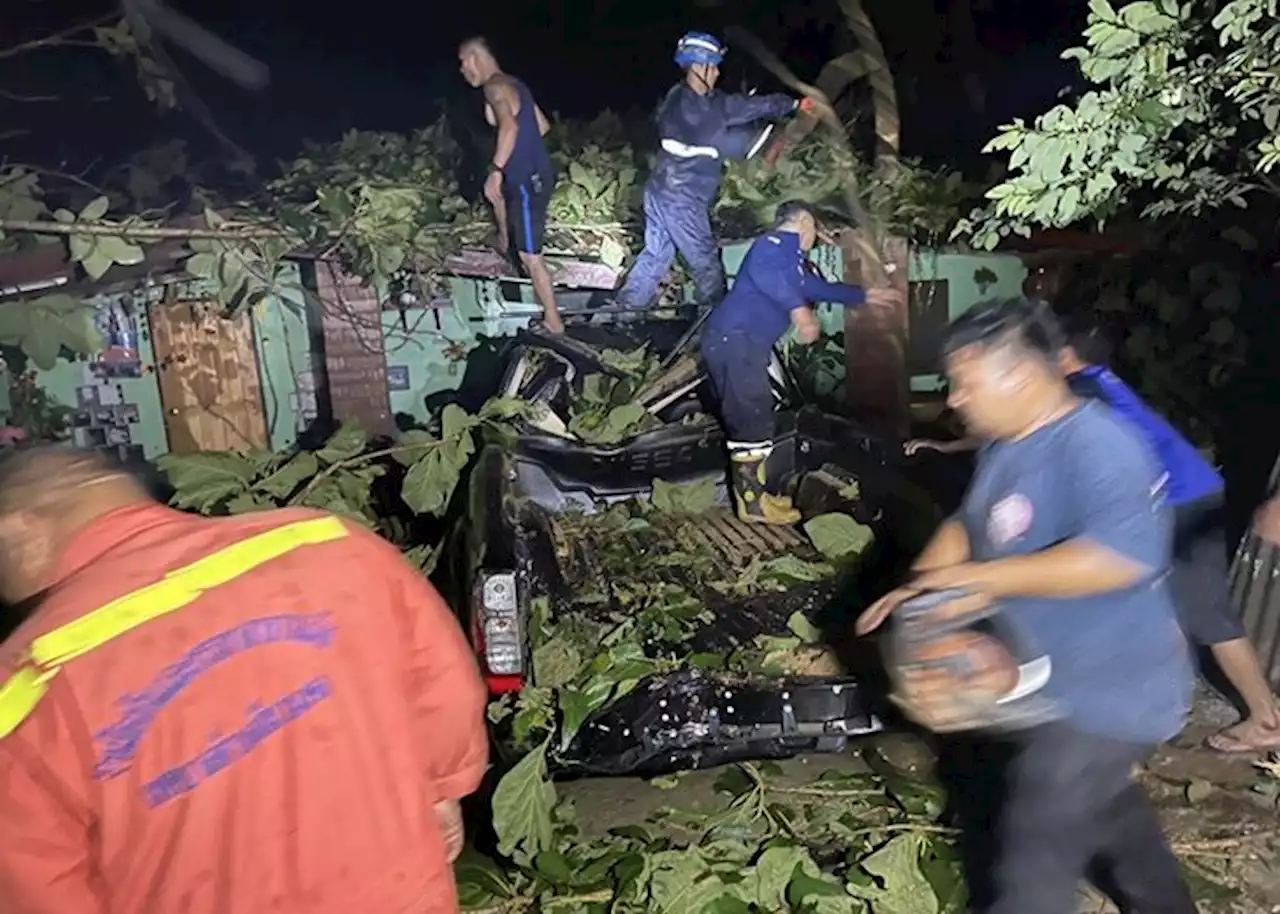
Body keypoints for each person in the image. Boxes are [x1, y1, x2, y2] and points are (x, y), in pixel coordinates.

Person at [0, 446, 488, 914]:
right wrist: (442, 791)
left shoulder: (27, 688)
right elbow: (444, 689)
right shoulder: (328, 544)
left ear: (21, 529)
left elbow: (29, 888)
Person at [858, 298, 1196, 914]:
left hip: (1112, 687)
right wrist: (925, 587)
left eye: (965, 382)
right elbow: (971, 522)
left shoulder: (1098, 444)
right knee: (1110, 816)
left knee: (1030, 855)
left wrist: (985, 582)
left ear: (1019, 374)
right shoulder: (1009, 442)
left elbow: (1120, 558)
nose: (954, 398)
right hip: (1051, 680)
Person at [906, 312, 1280, 753]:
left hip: (1183, 500)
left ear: (1056, 360)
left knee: (1208, 612)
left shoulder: (1082, 400)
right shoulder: (1090, 382)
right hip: (1168, 496)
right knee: (1163, 597)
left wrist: (976, 581)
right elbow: (1007, 434)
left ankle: (1265, 718)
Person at [701, 200, 898, 524]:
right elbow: (771, 276)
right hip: (735, 341)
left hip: (743, 344)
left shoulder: (792, 262)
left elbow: (816, 286)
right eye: (816, 230)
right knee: (750, 413)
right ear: (804, 223)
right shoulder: (773, 245)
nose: (817, 238)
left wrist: (865, 296)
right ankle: (751, 505)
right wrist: (800, 311)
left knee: (756, 412)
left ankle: (757, 496)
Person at [614, 32, 820, 313]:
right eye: (715, 65)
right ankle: (712, 327)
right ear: (701, 67)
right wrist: (795, 104)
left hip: (659, 191)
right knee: (707, 264)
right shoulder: (715, 108)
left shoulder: (675, 98)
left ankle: (623, 313)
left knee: (656, 255)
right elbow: (753, 106)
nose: (718, 72)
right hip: (683, 200)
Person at [459, 36, 563, 334]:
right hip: (532, 175)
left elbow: (510, 125)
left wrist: (497, 168)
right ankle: (505, 240)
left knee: (531, 258)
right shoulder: (515, 84)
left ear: (477, 57)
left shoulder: (494, 87)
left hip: (528, 181)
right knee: (497, 194)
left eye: (463, 62)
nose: (462, 70)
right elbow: (542, 126)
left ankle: (554, 322)